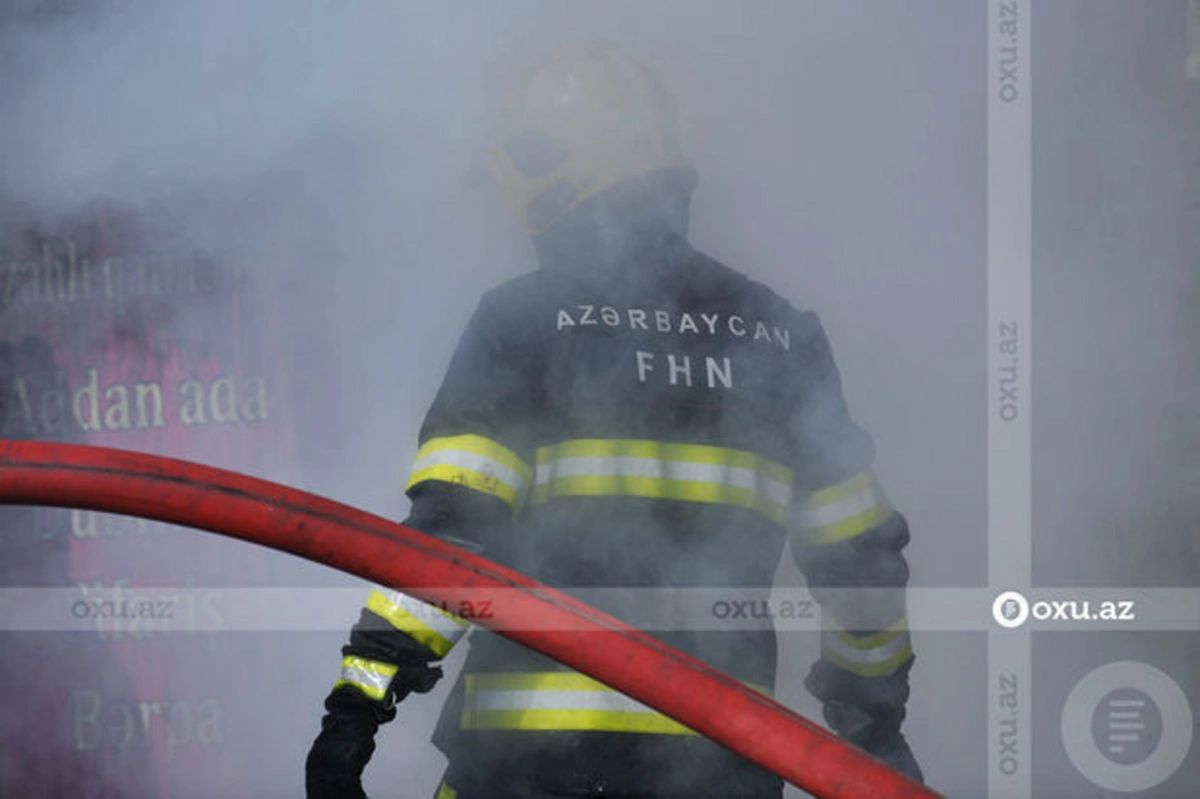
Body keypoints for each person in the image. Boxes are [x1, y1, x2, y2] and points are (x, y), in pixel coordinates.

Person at [306, 41, 923, 799]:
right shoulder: (780, 335)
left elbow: (450, 539)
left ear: (558, 164)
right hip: (720, 771)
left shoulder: (522, 322)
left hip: (527, 772)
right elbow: (860, 559)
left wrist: (356, 704)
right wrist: (874, 725)